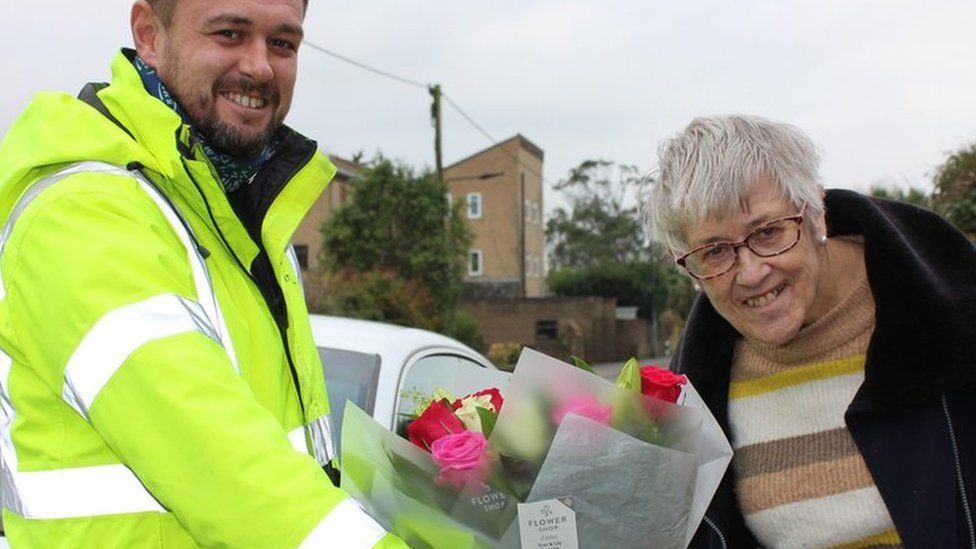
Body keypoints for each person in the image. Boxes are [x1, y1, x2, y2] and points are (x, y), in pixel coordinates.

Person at [0, 0, 405, 547]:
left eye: (283, 43)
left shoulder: (240, 219)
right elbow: (228, 469)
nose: (260, 67)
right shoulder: (82, 212)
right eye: (230, 33)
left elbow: (290, 458)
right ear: (148, 33)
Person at [645, 115, 976, 548]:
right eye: (715, 251)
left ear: (817, 213)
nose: (751, 272)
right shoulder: (698, 391)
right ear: (686, 261)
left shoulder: (955, 317)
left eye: (767, 232)